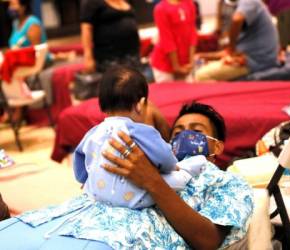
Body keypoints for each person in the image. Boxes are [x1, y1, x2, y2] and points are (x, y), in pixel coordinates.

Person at [0, 102, 253, 249]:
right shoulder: (151, 161)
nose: (183, 136)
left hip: (116, 242)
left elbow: (208, 240)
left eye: (196, 131)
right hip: (69, 226)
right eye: (177, 131)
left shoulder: (227, 183)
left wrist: (152, 182)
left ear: (217, 146)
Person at [73, 66, 202, 209]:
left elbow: (79, 159)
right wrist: (173, 165)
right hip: (133, 198)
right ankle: (194, 168)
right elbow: (166, 159)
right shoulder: (140, 131)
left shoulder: (93, 133)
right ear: (140, 105)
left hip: (98, 197)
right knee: (178, 177)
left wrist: (86, 178)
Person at [195, 0, 279, 81]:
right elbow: (230, 52)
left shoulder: (249, 2)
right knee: (203, 68)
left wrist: (231, 48)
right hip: (255, 58)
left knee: (201, 75)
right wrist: (202, 56)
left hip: (256, 62)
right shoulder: (247, 18)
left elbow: (237, 20)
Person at [80, 0, 141, 74]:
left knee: (135, 82)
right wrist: (88, 57)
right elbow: (86, 28)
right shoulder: (92, 2)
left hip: (132, 54)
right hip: (109, 57)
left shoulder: (124, 1)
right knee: (115, 83)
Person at [150, 0, 198, 83]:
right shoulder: (160, 9)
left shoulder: (189, 3)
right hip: (165, 64)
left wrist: (191, 62)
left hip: (185, 63)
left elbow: (192, 33)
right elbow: (167, 39)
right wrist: (176, 66)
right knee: (169, 94)